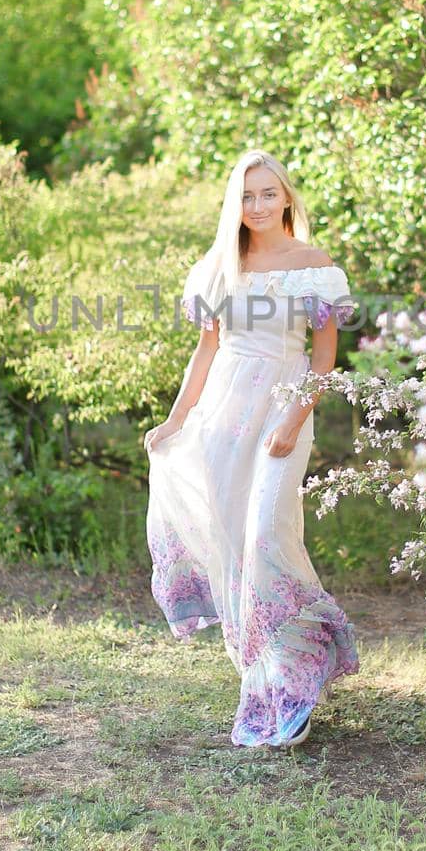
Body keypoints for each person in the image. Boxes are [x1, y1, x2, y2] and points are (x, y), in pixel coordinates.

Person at [144, 149, 360, 749]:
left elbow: (323, 358)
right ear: (233, 204)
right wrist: (176, 419)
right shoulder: (218, 266)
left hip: (282, 405)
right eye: (247, 195)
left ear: (286, 197)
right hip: (223, 412)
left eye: (269, 193)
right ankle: (264, 682)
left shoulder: (313, 266)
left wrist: (294, 419)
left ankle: (302, 660)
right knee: (234, 546)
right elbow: (206, 352)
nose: (258, 205)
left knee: (267, 533)